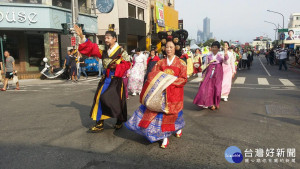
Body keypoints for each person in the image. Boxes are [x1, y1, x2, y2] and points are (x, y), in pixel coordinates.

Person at [125, 30, 188, 149]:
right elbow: (152, 75)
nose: (168, 49)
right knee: (160, 115)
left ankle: (176, 129)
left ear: (176, 48)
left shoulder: (181, 63)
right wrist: (160, 81)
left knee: (173, 114)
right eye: (167, 47)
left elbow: (183, 79)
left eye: (171, 47)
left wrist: (169, 81)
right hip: (161, 92)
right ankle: (164, 136)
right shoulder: (160, 62)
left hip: (174, 93)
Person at [74, 24, 131, 132]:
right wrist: (82, 36)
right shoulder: (103, 50)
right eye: (105, 38)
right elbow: (91, 47)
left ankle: (119, 121)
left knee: (116, 102)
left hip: (116, 80)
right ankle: (99, 123)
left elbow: (128, 64)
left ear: (114, 39)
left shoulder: (122, 52)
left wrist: (118, 66)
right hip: (106, 79)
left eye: (108, 38)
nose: (106, 40)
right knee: (99, 99)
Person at [193, 41, 228, 110]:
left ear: (218, 48)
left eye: (216, 47)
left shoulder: (221, 55)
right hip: (209, 73)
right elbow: (205, 65)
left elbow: (226, 62)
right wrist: (203, 74)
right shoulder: (208, 56)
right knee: (207, 88)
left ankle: (216, 102)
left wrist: (226, 52)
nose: (214, 49)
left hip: (218, 74)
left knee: (217, 89)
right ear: (211, 48)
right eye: (213, 47)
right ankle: (210, 103)